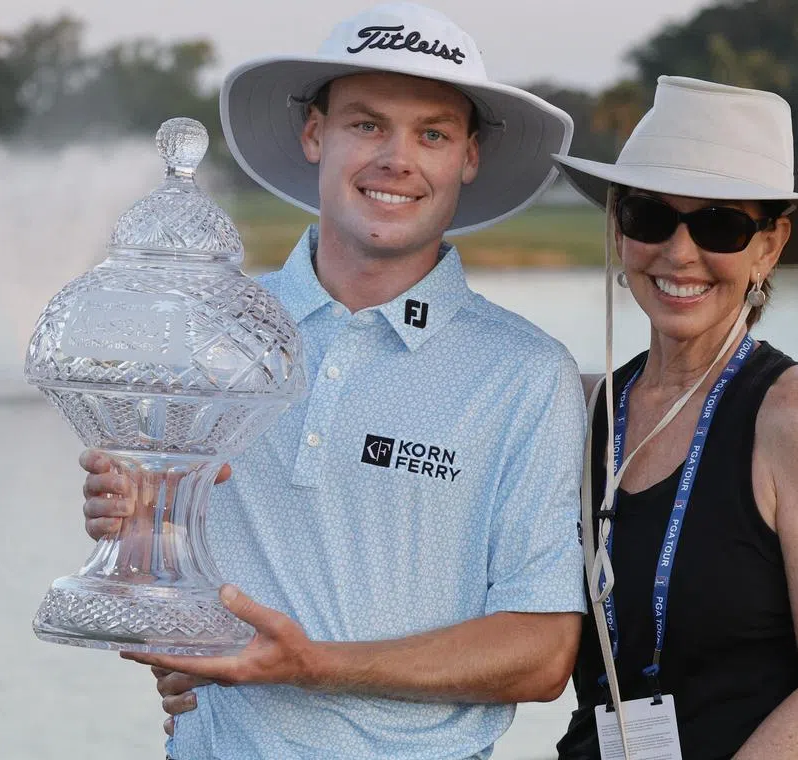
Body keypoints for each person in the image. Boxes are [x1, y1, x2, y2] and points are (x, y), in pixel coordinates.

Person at [80, 4, 587, 759]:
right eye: (366, 124)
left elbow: (542, 652)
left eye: (433, 134)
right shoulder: (207, 333)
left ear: (468, 157)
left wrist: (313, 667)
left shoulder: (526, 374)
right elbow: (158, 561)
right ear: (315, 133)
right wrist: (133, 524)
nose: (397, 158)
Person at [550, 77, 798, 759]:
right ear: (618, 228)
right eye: (650, 217)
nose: (678, 253)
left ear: (769, 245)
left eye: (720, 226)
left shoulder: (794, 416)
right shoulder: (577, 409)